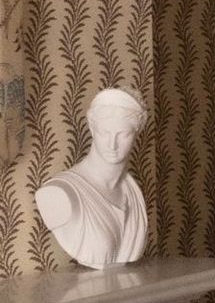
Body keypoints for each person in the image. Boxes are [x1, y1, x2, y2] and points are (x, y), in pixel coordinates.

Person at [34, 87, 150, 268]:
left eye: (123, 134)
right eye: (104, 133)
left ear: (136, 133)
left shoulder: (133, 191)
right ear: (92, 129)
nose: (112, 144)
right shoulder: (58, 193)